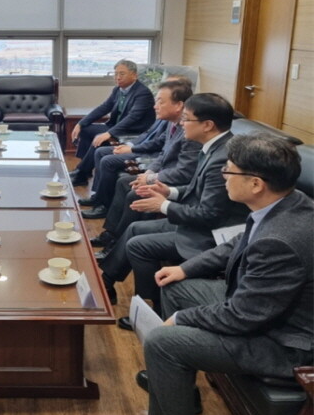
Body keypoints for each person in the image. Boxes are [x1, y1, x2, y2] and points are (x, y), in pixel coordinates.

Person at [119, 134, 313, 415]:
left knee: (165, 341)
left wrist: (181, 320)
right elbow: (238, 242)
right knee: (176, 287)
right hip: (261, 310)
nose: (223, 174)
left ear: (255, 183)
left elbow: (243, 316)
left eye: (230, 170)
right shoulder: (287, 202)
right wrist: (184, 268)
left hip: (285, 344)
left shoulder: (281, 239)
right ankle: (180, 389)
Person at [100, 93, 248, 315]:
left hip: (212, 233)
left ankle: (153, 310)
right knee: (134, 229)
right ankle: (106, 282)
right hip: (197, 220)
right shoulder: (213, 147)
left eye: (186, 119)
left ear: (207, 125)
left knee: (138, 245)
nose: (181, 124)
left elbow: (209, 215)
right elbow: (196, 189)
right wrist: (168, 191)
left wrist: (163, 205)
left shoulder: (223, 157)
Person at [81, 79, 199, 219]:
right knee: (119, 176)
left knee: (120, 175)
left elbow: (182, 170)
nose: (155, 106)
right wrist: (147, 172)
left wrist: (149, 177)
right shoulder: (171, 122)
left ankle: (112, 228)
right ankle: (106, 217)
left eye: (160, 102)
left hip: (167, 175)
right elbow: (161, 148)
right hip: (157, 164)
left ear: (179, 105)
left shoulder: (190, 131)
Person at [69, 60, 155, 186]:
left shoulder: (142, 93)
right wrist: (81, 123)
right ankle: (84, 171)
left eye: (122, 74)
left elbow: (132, 117)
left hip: (133, 131)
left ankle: (81, 172)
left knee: (100, 138)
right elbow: (104, 108)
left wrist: (109, 133)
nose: (117, 77)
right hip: (116, 127)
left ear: (134, 75)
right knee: (86, 129)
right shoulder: (118, 90)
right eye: (115, 74)